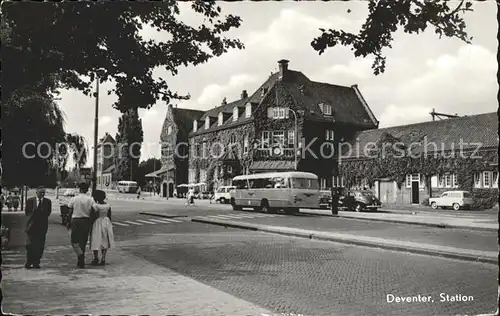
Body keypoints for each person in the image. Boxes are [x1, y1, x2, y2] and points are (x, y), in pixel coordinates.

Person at [67, 182, 95, 268]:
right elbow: (93, 211)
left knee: (74, 241)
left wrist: (68, 222)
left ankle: (80, 256)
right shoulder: (90, 199)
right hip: (86, 221)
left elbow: (70, 211)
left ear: (80, 189)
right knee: (83, 241)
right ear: (87, 190)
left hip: (76, 220)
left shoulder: (74, 199)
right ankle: (81, 258)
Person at [24, 186, 52, 269]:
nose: (42, 194)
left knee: (40, 245)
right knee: (29, 246)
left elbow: (48, 213)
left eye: (44, 193)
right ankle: (29, 262)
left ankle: (36, 262)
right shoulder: (30, 201)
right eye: (41, 192)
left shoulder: (48, 202)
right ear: (36, 192)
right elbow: (27, 212)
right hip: (31, 227)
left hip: (42, 227)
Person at [89, 190, 114, 266]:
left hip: (97, 222)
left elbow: (93, 216)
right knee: (105, 240)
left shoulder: (95, 206)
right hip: (106, 222)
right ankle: (103, 258)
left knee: (95, 239)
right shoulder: (108, 206)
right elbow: (109, 216)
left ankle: (96, 258)